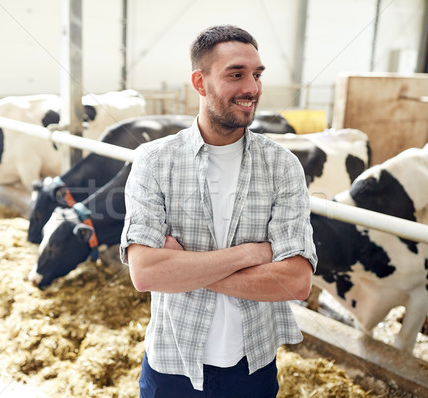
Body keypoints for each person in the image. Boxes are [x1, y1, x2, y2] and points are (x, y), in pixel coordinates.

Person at [120, 24, 317, 398]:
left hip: (252, 367)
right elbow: (145, 273)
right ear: (200, 82)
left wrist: (183, 268)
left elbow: (295, 282)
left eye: (257, 74)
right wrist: (250, 255)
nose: (253, 88)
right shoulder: (154, 161)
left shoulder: (283, 166)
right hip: (172, 365)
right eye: (236, 74)